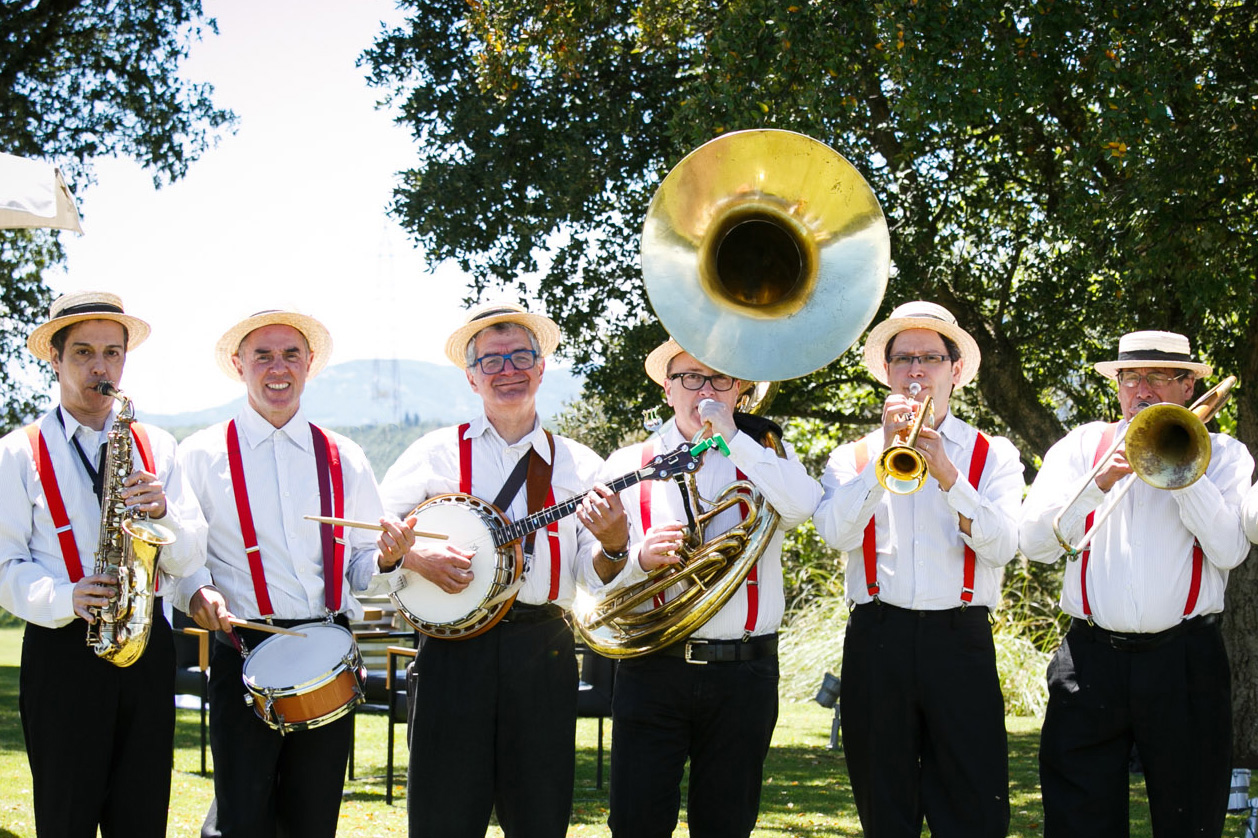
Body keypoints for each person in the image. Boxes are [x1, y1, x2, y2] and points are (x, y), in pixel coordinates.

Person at [379, 301, 608, 838]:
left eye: (521, 356)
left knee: (539, 817)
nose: (508, 370)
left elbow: (591, 573)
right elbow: (370, 539)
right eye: (493, 361)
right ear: (472, 376)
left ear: (541, 366)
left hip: (544, 650)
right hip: (453, 657)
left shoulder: (580, 464)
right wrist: (414, 557)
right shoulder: (432, 454)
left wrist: (617, 546)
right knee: (442, 818)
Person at [172, 309, 403, 838]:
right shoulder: (200, 455)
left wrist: (388, 557)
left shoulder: (345, 456)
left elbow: (363, 567)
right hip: (243, 650)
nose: (278, 368)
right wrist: (195, 593)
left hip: (329, 651)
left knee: (313, 817)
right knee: (241, 817)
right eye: (263, 355)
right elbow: (182, 558)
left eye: (291, 354)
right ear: (239, 365)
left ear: (309, 364)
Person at [580, 335, 823, 838]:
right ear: (668, 389)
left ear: (740, 391)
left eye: (720, 378)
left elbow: (804, 508)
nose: (705, 391)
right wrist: (635, 556)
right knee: (636, 822)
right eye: (691, 377)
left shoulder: (767, 452)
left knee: (727, 825)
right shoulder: (629, 463)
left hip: (744, 672)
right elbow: (590, 577)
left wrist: (734, 439)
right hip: (652, 668)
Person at [1020, 330, 1253, 838]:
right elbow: (1036, 545)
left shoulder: (1227, 455)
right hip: (1090, 660)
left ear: (1188, 386)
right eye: (1130, 378)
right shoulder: (1081, 448)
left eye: (1157, 377)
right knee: (1079, 820)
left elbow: (1230, 551)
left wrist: (1184, 471)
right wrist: (1098, 483)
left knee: (1190, 817)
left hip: (1185, 660)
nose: (1141, 390)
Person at [0, 290, 208, 837]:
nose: (101, 367)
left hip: (146, 643)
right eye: (84, 353)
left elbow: (189, 557)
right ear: (56, 360)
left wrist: (163, 510)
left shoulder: (157, 445)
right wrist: (64, 595)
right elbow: (4, 563)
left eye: (112, 353)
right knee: (65, 816)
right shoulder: (18, 452)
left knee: (141, 815)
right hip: (62, 647)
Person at [813, 300, 1023, 838]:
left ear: (955, 370)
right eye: (903, 358)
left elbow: (1002, 547)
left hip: (961, 638)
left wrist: (951, 476)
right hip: (878, 638)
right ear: (886, 371)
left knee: (974, 806)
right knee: (885, 806)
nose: (915, 370)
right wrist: (884, 455)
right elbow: (835, 534)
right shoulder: (853, 456)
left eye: (930, 357)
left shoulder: (992, 454)